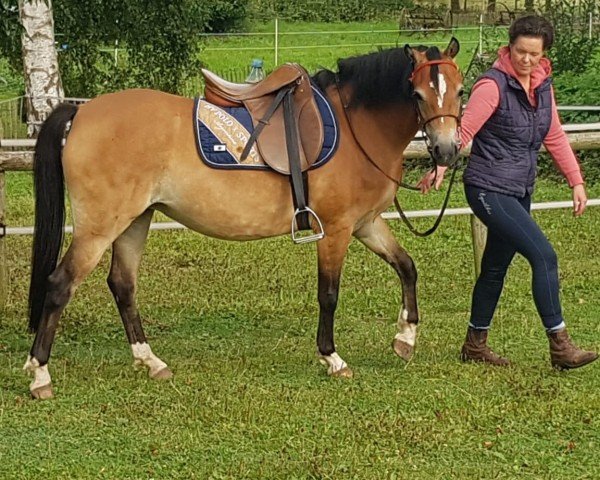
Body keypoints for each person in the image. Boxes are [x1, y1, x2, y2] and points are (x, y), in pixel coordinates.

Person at [418, 15, 598, 370]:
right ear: (509, 47)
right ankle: (560, 345)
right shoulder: (492, 85)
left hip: (519, 188)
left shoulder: (543, 85)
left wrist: (575, 180)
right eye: (520, 51)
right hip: (488, 188)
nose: (526, 60)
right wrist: (442, 164)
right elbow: (464, 131)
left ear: (544, 54)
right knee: (544, 256)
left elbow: (554, 134)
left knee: (495, 268)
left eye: (533, 53)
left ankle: (474, 344)